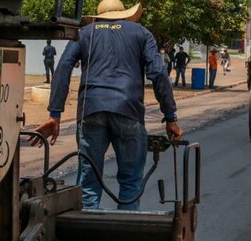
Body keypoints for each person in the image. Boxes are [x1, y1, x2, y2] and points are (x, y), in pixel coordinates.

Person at [34, 0, 183, 210]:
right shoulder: (141, 33)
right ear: (123, 15)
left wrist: (55, 114)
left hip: (91, 111)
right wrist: (170, 118)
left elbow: (63, 67)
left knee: (88, 184)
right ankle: (124, 236)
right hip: (128, 111)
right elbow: (158, 74)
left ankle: (88, 236)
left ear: (98, 16)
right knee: (131, 181)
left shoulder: (85, 33)